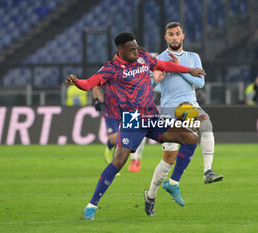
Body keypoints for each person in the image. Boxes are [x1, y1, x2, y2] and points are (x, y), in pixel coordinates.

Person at [63, 32, 206, 220]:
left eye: (137, 48)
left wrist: (189, 70)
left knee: (191, 138)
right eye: (131, 50)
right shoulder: (111, 69)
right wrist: (78, 83)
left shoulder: (144, 58)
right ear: (120, 50)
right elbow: (90, 83)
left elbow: (164, 65)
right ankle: (91, 206)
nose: (136, 52)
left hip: (152, 116)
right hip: (132, 120)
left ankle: (173, 183)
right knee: (119, 162)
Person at [143, 22, 223, 216]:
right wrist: (155, 79)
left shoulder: (192, 57)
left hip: (187, 106)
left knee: (205, 125)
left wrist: (180, 68)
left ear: (183, 36)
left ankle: (207, 171)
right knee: (168, 161)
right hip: (169, 110)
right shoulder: (160, 59)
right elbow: (151, 83)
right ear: (166, 37)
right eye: (171, 34)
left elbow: (200, 82)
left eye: (178, 34)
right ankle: (151, 194)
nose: (175, 37)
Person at [92, 83, 145, 172]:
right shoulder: (107, 71)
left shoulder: (130, 73)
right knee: (114, 139)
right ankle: (109, 151)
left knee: (133, 136)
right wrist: (97, 100)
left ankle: (134, 160)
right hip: (111, 111)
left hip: (128, 110)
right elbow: (96, 86)